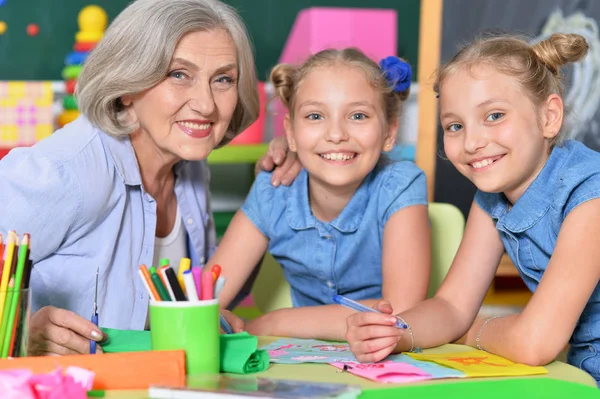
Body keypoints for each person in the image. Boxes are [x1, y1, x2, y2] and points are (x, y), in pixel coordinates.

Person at [0, 0, 298, 356]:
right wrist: (19, 331)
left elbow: (184, 297)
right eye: (178, 74)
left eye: (223, 79)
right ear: (127, 85)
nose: (205, 104)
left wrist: (300, 158)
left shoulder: (188, 165)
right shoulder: (68, 171)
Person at [345, 33, 600, 383]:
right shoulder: (492, 197)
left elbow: (533, 341)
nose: (472, 142)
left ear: (549, 117)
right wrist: (397, 332)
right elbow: (451, 307)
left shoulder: (591, 195)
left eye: (494, 115)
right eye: (455, 126)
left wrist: (471, 330)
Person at [208, 48, 431, 341]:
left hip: (386, 361)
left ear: (389, 132)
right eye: (315, 116)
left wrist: (272, 324)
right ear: (291, 134)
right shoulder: (272, 189)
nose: (336, 134)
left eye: (358, 115)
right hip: (301, 363)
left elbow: (401, 312)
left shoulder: (400, 185)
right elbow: (205, 297)